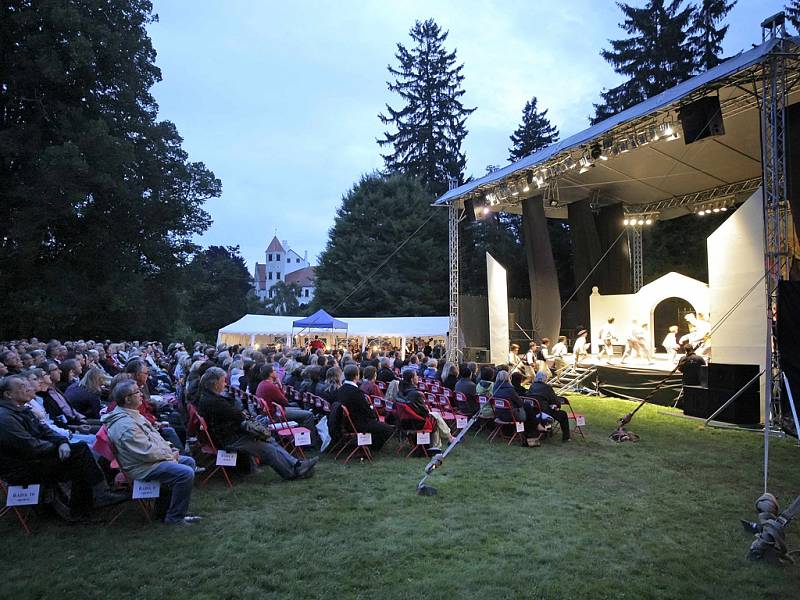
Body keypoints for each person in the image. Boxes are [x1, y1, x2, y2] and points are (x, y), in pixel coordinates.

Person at [0, 375, 126, 516]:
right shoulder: (5, 418)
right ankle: (93, 499)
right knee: (80, 454)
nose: (28, 388)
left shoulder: (21, 409)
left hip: (37, 457)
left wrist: (62, 442)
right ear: (8, 394)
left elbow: (46, 431)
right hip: (23, 467)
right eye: (22, 387)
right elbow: (30, 446)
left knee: (80, 451)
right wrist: (58, 446)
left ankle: (95, 496)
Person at [104, 379, 202, 526]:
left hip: (148, 461)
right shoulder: (125, 425)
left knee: (188, 461)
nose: (141, 394)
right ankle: (174, 517)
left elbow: (152, 439)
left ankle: (168, 509)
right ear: (127, 399)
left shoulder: (131, 414)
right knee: (185, 473)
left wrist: (169, 449)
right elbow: (145, 452)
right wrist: (169, 456)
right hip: (142, 467)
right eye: (137, 392)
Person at [199, 367, 317, 479]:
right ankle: (291, 473)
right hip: (230, 439)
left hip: (235, 433)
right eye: (223, 381)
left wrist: (242, 413)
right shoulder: (214, 402)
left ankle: (296, 464)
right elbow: (238, 415)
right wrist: (242, 412)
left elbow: (239, 414)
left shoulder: (211, 398)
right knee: (267, 449)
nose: (225, 384)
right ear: (215, 384)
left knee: (270, 439)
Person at [255, 364, 318, 446]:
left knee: (298, 408)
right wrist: (280, 386)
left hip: (271, 413)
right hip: (276, 415)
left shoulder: (262, 384)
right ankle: (309, 443)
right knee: (308, 415)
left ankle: (299, 439)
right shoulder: (270, 386)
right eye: (274, 370)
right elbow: (285, 401)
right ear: (270, 374)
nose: (277, 372)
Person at [336, 364, 395, 451]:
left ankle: (366, 445)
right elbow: (367, 411)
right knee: (388, 429)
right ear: (357, 376)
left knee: (380, 426)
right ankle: (371, 448)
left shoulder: (340, 390)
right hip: (358, 423)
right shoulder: (356, 392)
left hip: (347, 422)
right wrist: (373, 415)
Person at [397, 370, 454, 452]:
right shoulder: (415, 394)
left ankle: (439, 444)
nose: (418, 377)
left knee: (435, 416)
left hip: (404, 422)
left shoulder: (400, 392)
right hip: (416, 423)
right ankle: (446, 439)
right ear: (412, 379)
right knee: (434, 418)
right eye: (416, 376)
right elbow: (425, 412)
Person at [528, 371, 571, 442]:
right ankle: (566, 437)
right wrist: (556, 405)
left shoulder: (532, 386)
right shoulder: (547, 387)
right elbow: (555, 400)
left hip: (534, 411)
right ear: (544, 379)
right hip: (544, 412)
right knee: (563, 414)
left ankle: (547, 431)